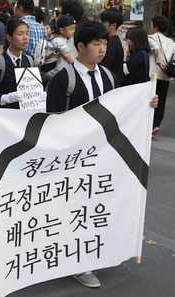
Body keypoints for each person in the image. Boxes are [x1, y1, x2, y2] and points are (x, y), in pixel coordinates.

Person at [46, 20, 158, 290]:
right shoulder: (64, 79)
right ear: (81, 46)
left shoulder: (108, 76)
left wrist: (146, 105)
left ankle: (88, 254)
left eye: (105, 43)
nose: (102, 49)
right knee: (74, 210)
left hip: (102, 157)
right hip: (72, 159)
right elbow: (51, 122)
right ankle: (76, 262)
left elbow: (119, 109)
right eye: (96, 44)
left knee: (96, 206)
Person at [0, 19, 46, 108]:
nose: (25, 38)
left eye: (27, 34)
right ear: (9, 37)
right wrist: (6, 98)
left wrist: (39, 94)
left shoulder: (29, 60)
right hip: (4, 116)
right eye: (20, 34)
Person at [148, 16, 175, 137]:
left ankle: (149, 124)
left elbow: (156, 48)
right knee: (161, 100)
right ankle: (156, 124)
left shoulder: (151, 37)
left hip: (153, 74)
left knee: (151, 99)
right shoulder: (171, 42)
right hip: (166, 76)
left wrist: (159, 62)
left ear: (155, 26)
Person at [41, 15, 76, 81]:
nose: (73, 31)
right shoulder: (59, 41)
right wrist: (74, 65)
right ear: (62, 30)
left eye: (74, 29)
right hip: (49, 65)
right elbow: (66, 55)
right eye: (71, 29)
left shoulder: (60, 38)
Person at [99, 8, 124, 85]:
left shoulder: (111, 44)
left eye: (103, 22)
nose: (101, 24)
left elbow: (104, 68)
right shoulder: (115, 41)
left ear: (113, 25)